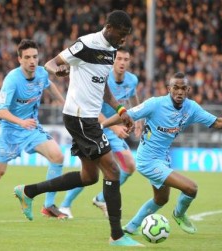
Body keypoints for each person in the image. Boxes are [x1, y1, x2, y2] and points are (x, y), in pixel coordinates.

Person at [13, 10, 143, 247]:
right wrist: (58, 70)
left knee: (89, 177)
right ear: (110, 27)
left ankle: (28, 192)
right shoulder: (86, 44)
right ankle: (117, 235)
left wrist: (121, 111)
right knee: (113, 171)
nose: (123, 41)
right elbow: (51, 63)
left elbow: (102, 86)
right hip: (80, 117)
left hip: (89, 118)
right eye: (121, 35)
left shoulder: (111, 51)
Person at [101, 72, 222, 235]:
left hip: (163, 158)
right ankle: (179, 214)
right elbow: (126, 115)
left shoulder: (192, 108)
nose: (179, 92)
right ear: (169, 89)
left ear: (188, 90)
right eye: (176, 87)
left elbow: (215, 122)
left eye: (183, 88)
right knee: (191, 188)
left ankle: (131, 227)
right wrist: (102, 125)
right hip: (147, 160)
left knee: (161, 199)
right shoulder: (155, 104)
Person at [0, 39, 67, 224]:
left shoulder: (41, 73)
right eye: (28, 57)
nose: (32, 61)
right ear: (19, 59)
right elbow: (0, 111)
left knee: (58, 156)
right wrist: (20, 122)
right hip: (11, 131)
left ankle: (48, 205)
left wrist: (64, 103)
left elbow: (49, 85)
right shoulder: (12, 80)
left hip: (30, 128)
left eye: (35, 57)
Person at [59, 47, 143, 219]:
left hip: (115, 130)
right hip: (96, 127)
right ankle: (65, 205)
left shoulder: (132, 80)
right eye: (119, 58)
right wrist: (114, 127)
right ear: (113, 60)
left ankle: (101, 198)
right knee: (91, 171)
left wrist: (139, 121)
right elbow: (93, 109)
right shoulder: (103, 78)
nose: (122, 62)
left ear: (129, 62)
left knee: (129, 166)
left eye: (125, 59)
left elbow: (134, 99)